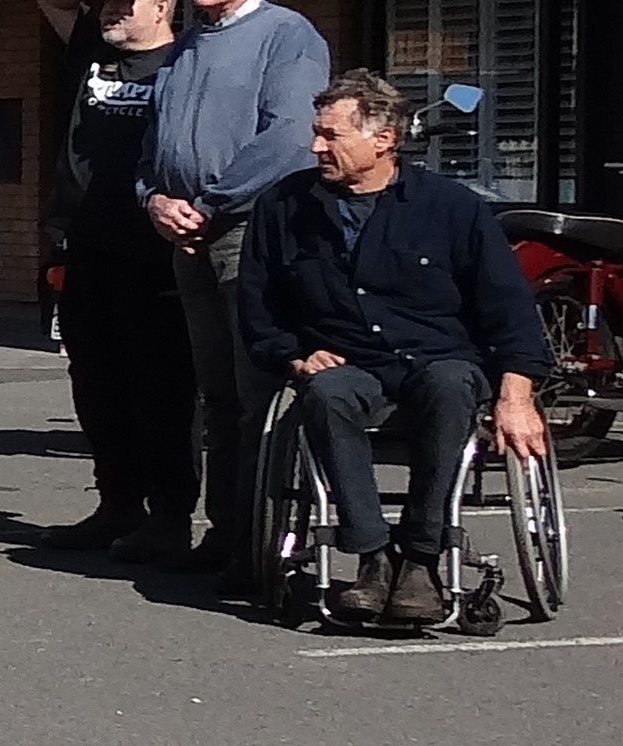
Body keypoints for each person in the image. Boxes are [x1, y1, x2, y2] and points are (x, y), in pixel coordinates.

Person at [235, 71, 554, 632]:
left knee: (451, 386)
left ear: (383, 139)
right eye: (316, 133)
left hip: (437, 358)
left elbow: (508, 308)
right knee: (326, 393)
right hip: (346, 360)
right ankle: (373, 558)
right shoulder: (283, 207)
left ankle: (421, 559)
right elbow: (258, 305)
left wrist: (517, 394)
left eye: (330, 135)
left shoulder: (452, 207)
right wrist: (294, 355)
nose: (315, 147)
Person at [142, 0, 332, 582]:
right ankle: (225, 533)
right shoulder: (189, 44)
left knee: (257, 392)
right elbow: (155, 140)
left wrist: (211, 201)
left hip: (249, 232)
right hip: (187, 236)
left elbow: (289, 135)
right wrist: (153, 197)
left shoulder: (286, 36)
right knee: (215, 395)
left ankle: (261, 541)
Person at [34, 0, 194, 557]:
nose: (112, 12)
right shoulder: (92, 54)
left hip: (153, 251)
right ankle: (117, 503)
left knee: (160, 388)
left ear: (163, 9)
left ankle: (170, 515)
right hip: (85, 244)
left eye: (128, 3)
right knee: (96, 383)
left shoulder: (185, 62)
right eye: (108, 4)